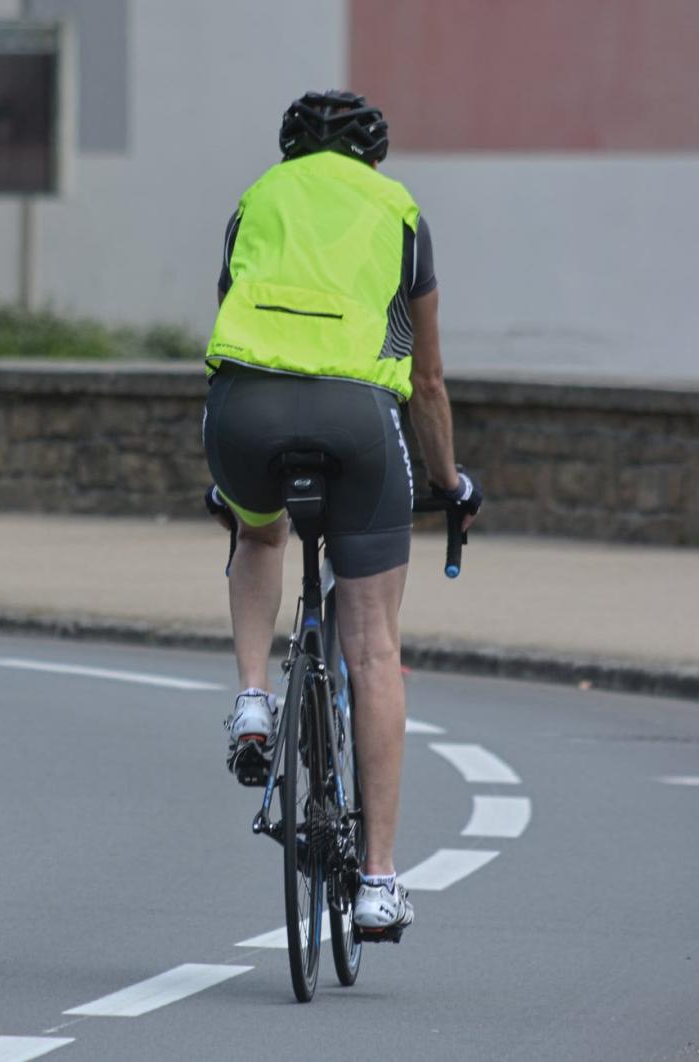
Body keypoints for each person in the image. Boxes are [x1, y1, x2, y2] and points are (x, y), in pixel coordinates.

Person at [201, 90, 482, 933]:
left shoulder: (257, 197)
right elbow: (424, 379)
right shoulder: (399, 211)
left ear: (292, 149)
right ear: (373, 155)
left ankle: (253, 696)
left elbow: (229, 308)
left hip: (243, 408)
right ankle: (379, 882)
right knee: (373, 644)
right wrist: (450, 482)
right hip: (357, 420)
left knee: (258, 529)